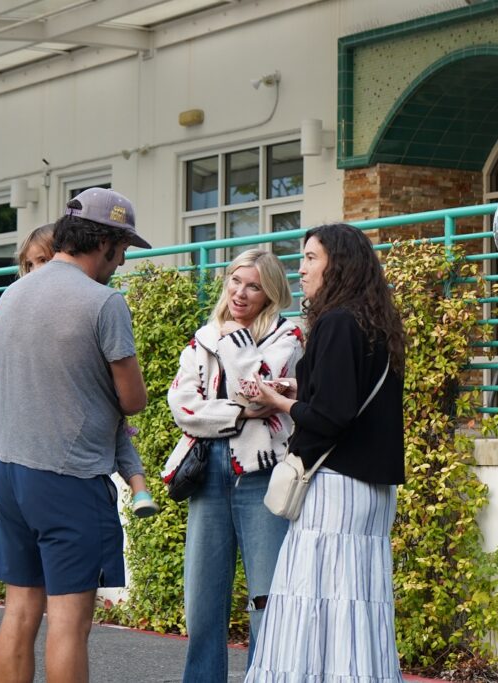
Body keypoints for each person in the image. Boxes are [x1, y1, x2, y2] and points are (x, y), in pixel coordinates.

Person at [0, 187, 152, 683]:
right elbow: (133, 399)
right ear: (106, 242)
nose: (122, 261)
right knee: (70, 624)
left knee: (19, 612)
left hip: (9, 470)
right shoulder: (103, 301)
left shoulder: (12, 293)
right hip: (68, 476)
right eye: (122, 248)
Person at [243, 223, 407, 682]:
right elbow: (351, 399)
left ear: (339, 265)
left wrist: (277, 401)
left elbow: (331, 417)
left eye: (311, 258)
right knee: (357, 606)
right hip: (372, 490)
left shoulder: (336, 323)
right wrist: (298, 390)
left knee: (313, 601)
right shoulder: (375, 323)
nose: (301, 268)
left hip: (335, 488)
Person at [161, 249, 303, 683]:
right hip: (207, 470)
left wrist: (235, 343)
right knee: (202, 597)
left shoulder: (289, 336)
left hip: (263, 474)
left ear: (271, 293)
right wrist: (241, 415)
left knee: (267, 597)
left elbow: (256, 388)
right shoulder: (202, 337)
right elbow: (183, 406)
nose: (240, 293)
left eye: (253, 286)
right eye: (235, 281)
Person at [16, 223, 159, 518]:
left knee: (119, 436)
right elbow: (133, 400)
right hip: (71, 465)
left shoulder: (14, 300)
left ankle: (140, 488)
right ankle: (140, 488)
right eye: (30, 265)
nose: (36, 271)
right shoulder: (101, 301)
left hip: (24, 467)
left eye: (42, 260)